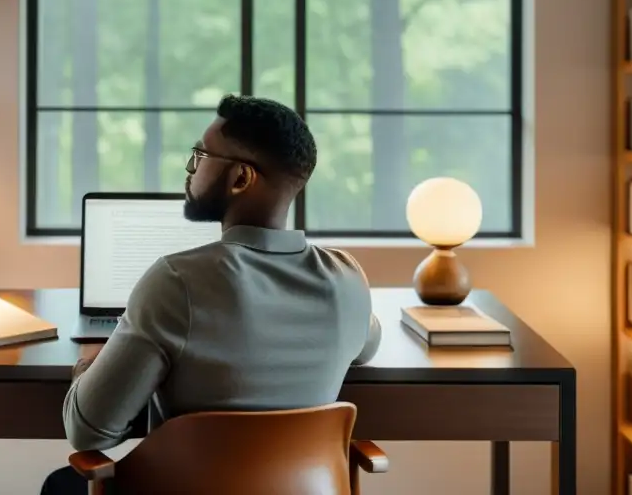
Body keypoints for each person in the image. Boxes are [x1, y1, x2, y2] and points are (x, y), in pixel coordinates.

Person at [41, 95, 381, 495]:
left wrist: (88, 368)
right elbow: (368, 344)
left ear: (241, 178)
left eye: (200, 155)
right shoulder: (348, 280)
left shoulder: (176, 280)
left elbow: (88, 432)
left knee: (60, 486)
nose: (190, 169)